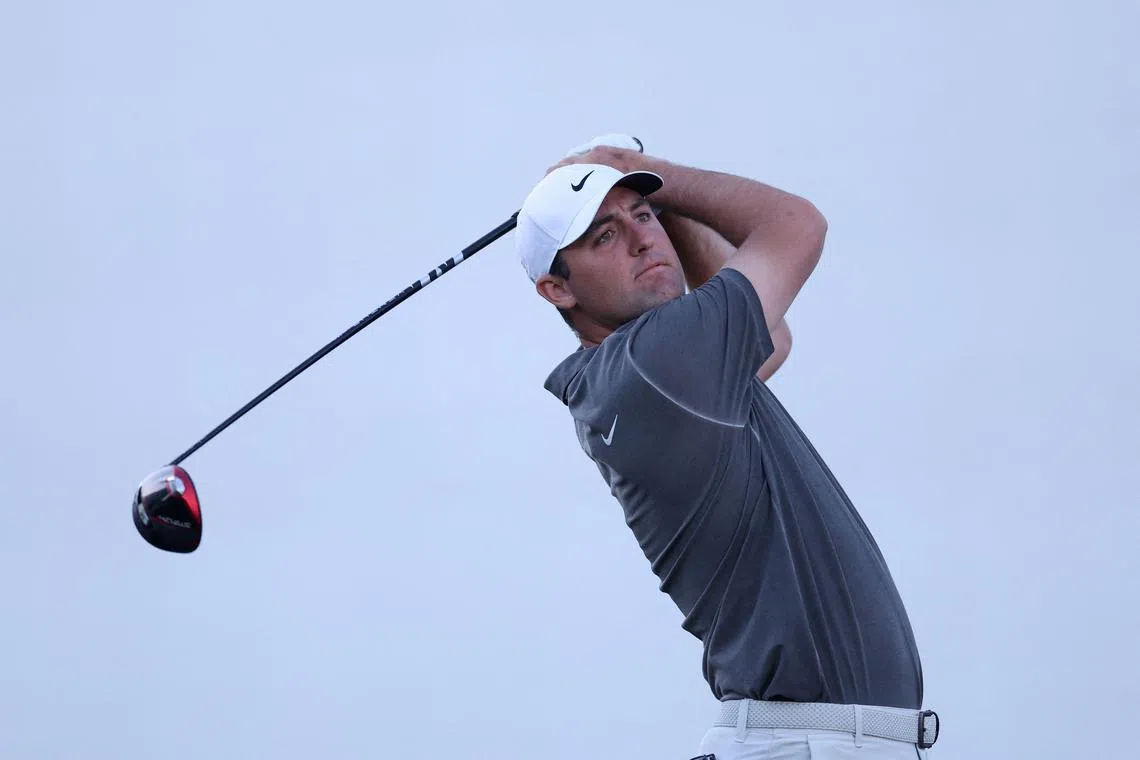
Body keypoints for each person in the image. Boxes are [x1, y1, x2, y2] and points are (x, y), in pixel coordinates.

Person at [513, 136, 940, 759]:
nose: (642, 240)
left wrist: (657, 200)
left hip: (804, 740)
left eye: (645, 216)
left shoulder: (640, 374)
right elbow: (796, 224)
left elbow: (774, 337)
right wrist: (648, 171)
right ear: (557, 289)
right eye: (605, 235)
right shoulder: (659, 360)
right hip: (807, 743)